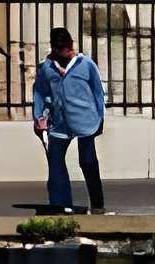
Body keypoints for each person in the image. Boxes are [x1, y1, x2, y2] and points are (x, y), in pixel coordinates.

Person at [30, 26, 108, 214]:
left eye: (69, 46)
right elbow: (39, 92)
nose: (67, 51)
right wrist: (38, 116)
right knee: (55, 163)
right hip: (59, 123)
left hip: (85, 120)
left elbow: (98, 92)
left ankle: (97, 204)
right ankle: (60, 204)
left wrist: (100, 118)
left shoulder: (85, 64)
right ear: (54, 49)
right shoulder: (46, 68)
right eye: (62, 48)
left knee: (88, 161)